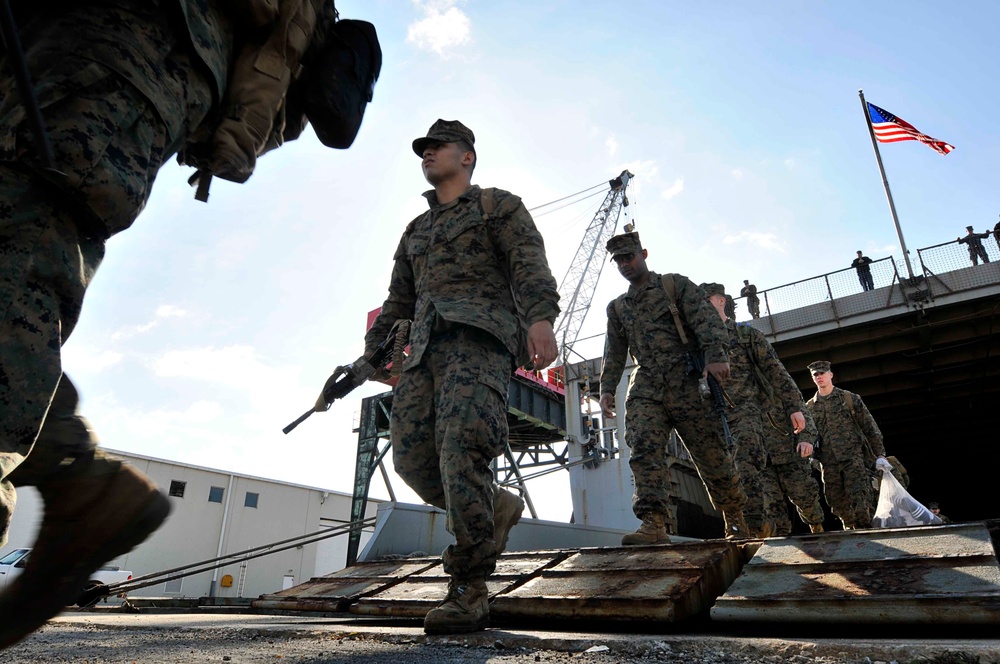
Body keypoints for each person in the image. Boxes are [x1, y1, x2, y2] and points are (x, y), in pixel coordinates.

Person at [0, 1, 356, 649]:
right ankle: (79, 481)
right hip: (62, 42)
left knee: (17, 253)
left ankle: (80, 482)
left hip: (125, 41)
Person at [364, 119, 560, 634]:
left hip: (481, 338)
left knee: (462, 447)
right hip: (424, 350)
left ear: (466, 156)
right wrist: (373, 356)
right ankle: (493, 506)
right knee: (409, 456)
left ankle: (469, 587)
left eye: (436, 147)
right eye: (422, 150)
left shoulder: (499, 206)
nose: (426, 155)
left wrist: (540, 319)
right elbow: (398, 300)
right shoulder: (416, 229)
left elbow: (528, 263)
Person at [599, 233, 749, 544]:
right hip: (647, 382)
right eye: (619, 261)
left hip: (688, 379)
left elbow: (706, 320)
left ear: (644, 254)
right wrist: (607, 388)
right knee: (643, 447)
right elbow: (614, 351)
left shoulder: (674, 285)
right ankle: (653, 523)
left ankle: (734, 519)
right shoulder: (618, 307)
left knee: (711, 453)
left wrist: (716, 356)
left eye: (630, 257)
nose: (625, 264)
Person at [700, 283, 811, 538]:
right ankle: (736, 526)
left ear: (719, 301)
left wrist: (794, 406)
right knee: (720, 472)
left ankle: (755, 526)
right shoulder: (699, 343)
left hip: (746, 411)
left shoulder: (744, 335)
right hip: (713, 415)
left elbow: (775, 371)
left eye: (705, 301)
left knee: (746, 465)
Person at [804, 361, 891, 530]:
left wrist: (880, 454)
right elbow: (808, 435)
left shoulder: (849, 399)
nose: (819, 377)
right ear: (813, 379)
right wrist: (812, 460)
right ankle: (849, 527)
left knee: (860, 497)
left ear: (831, 375)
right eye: (816, 375)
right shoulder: (810, 407)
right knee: (835, 500)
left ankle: (865, 528)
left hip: (853, 457)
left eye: (822, 373)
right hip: (828, 462)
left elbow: (869, 427)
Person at [759, 405, 826, 536]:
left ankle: (817, 529)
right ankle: (781, 538)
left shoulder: (781, 388)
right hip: (763, 461)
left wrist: (806, 440)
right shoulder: (742, 395)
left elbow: (804, 414)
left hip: (791, 455)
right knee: (770, 504)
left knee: (805, 498)